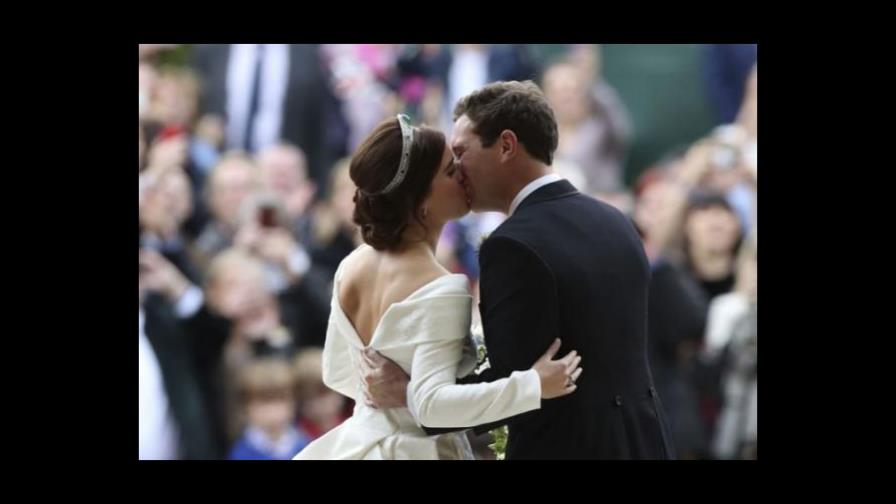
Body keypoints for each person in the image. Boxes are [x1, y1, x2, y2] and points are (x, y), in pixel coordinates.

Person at [362, 81, 674, 459]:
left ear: (506, 146)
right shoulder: (617, 221)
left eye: (461, 152)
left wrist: (410, 394)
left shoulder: (512, 245)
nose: (456, 170)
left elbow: (515, 380)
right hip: (646, 442)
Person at [293, 115, 581, 460]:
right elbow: (433, 406)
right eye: (448, 171)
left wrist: (397, 394)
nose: (462, 174)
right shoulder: (442, 287)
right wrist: (532, 385)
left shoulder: (353, 264)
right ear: (420, 201)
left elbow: (338, 372)